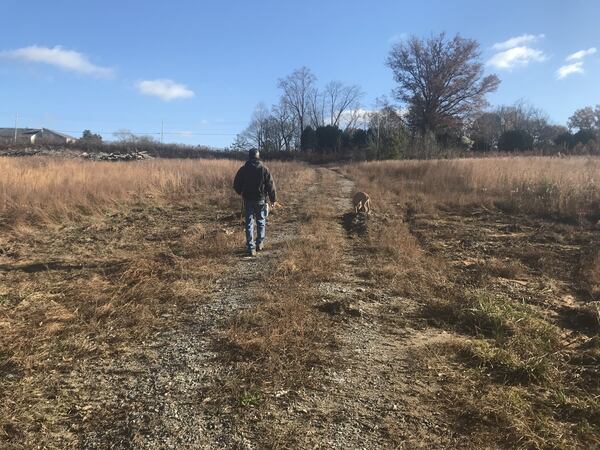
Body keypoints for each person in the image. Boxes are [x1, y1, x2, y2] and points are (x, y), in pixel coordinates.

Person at [233, 149, 277, 256]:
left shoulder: (243, 169)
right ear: (258, 157)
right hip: (261, 200)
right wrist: (273, 199)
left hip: (248, 200)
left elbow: (236, 184)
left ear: (249, 157)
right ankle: (260, 243)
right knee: (261, 221)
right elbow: (271, 185)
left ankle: (250, 247)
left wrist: (240, 192)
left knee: (249, 223)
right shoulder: (264, 169)